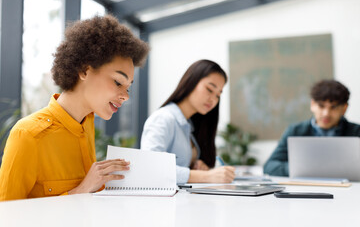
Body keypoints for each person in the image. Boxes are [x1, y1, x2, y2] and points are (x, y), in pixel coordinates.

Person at [0, 15, 149, 201]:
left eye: (128, 87)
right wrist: (82, 190)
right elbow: (6, 215)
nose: (126, 96)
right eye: (118, 82)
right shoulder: (28, 135)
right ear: (84, 71)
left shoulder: (87, 124)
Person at [141, 60, 235, 184]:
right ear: (192, 81)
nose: (213, 99)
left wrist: (197, 168)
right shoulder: (164, 118)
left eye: (218, 95)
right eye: (209, 89)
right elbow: (149, 168)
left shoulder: (189, 126)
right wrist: (204, 176)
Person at [263, 80, 360, 176]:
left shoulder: (357, 132)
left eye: (333, 107)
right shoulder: (295, 131)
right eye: (321, 106)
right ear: (312, 105)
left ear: (344, 108)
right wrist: (299, 169)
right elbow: (270, 166)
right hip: (307, 188)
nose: (326, 114)